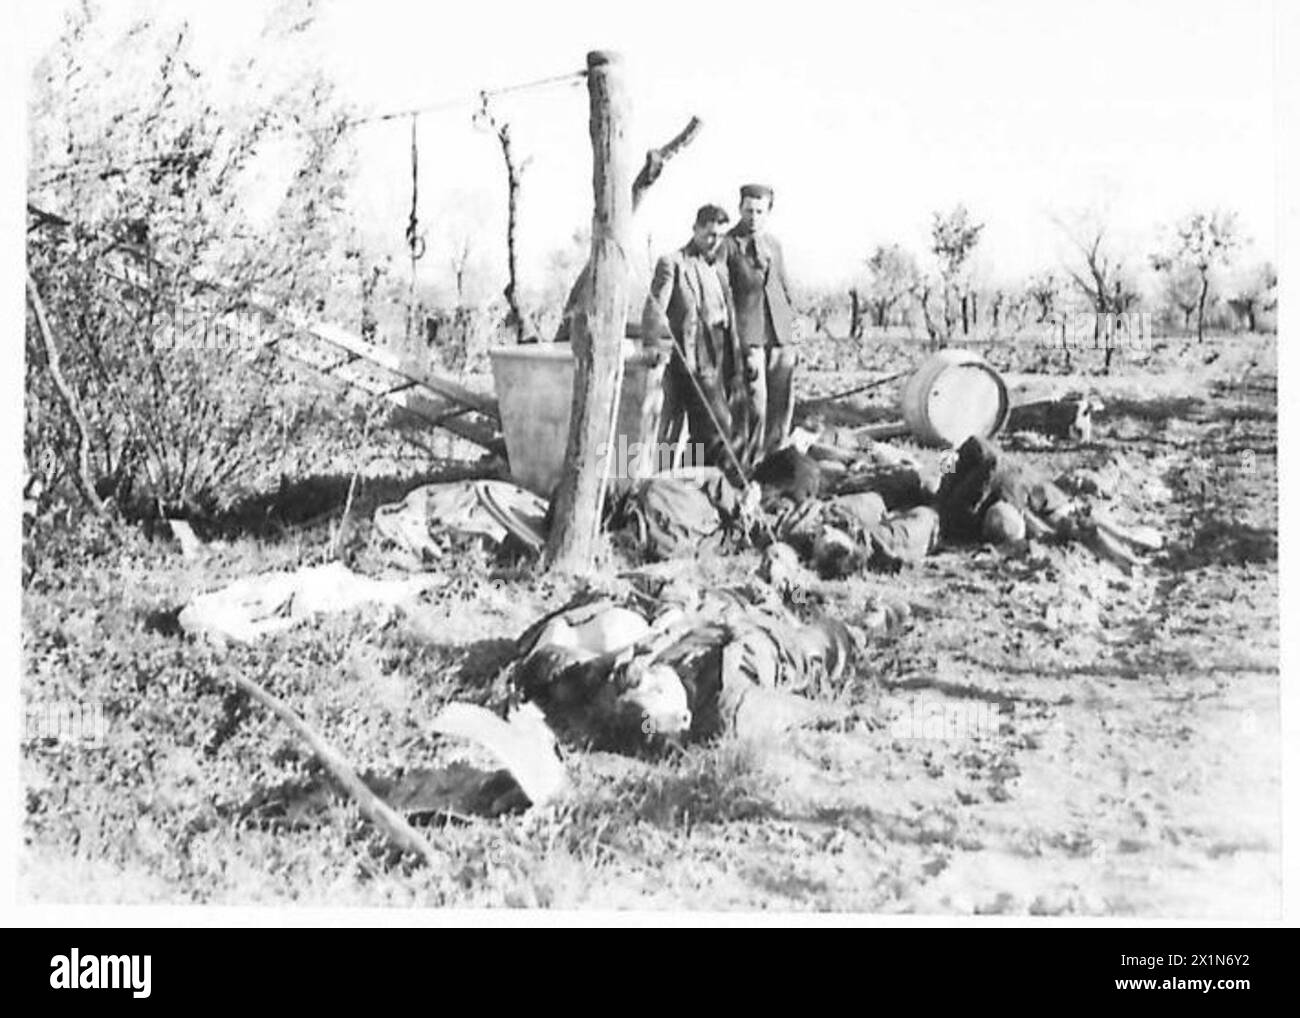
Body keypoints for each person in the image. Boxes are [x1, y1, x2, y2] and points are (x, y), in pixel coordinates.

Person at [641, 204, 743, 477]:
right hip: (691, 358)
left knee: (702, 433)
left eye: (719, 236)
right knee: (717, 425)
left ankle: (695, 486)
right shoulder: (673, 263)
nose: (714, 241)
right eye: (708, 234)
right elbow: (654, 309)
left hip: (721, 354)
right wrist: (652, 347)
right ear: (695, 229)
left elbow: (728, 315)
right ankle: (687, 482)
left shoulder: (720, 268)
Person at [722, 183, 798, 467]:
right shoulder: (728, 245)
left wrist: (795, 330)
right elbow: (722, 293)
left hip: (780, 335)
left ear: (768, 213)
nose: (753, 217)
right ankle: (750, 464)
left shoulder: (774, 245)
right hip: (748, 337)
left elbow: (785, 288)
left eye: (759, 211)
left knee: (782, 403)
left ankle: (776, 461)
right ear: (739, 209)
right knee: (756, 404)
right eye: (749, 210)